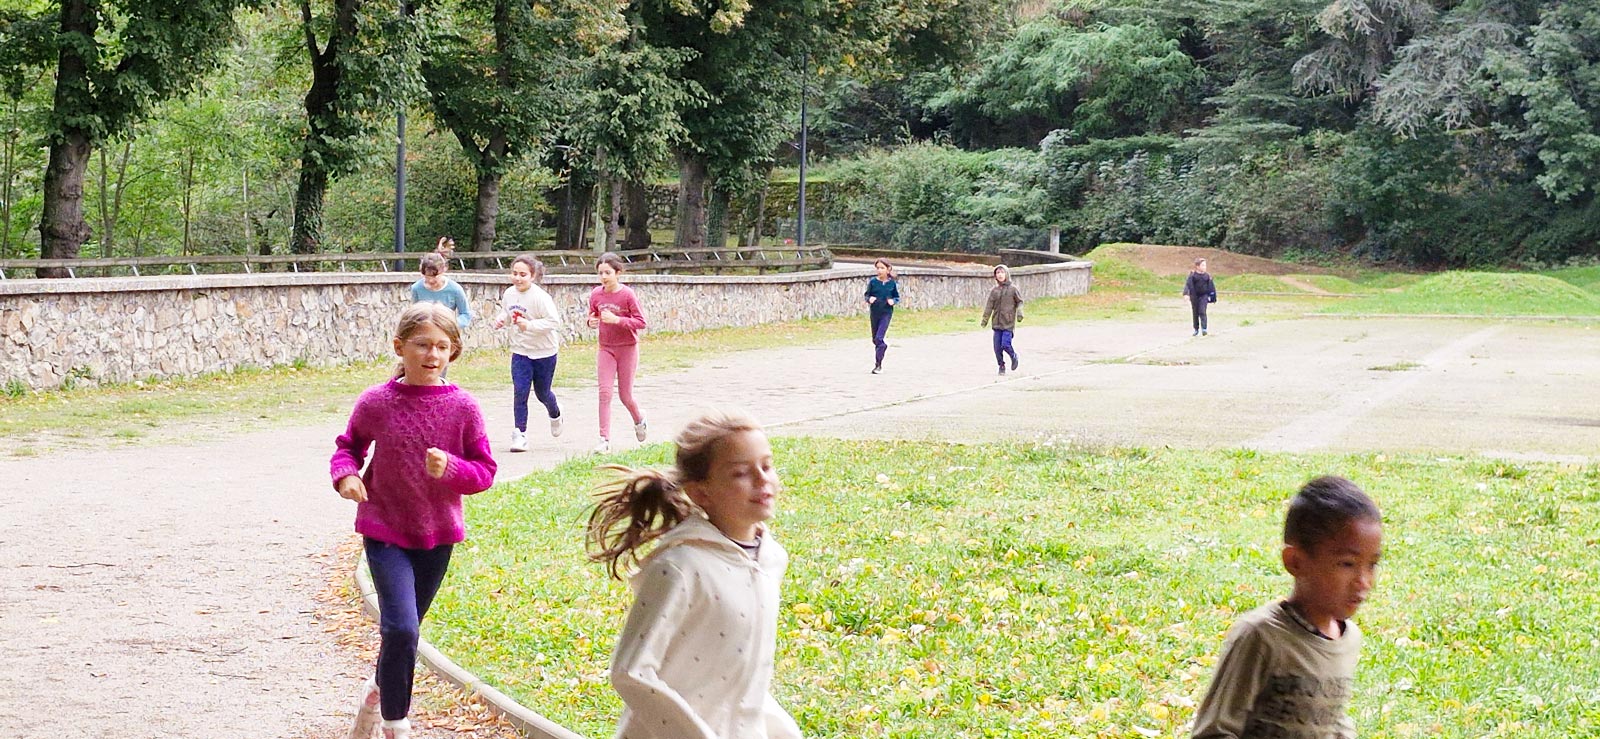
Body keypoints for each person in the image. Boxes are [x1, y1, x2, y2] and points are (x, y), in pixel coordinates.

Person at [331, 302, 498, 739]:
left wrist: (453, 470)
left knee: (402, 633)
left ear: (453, 352)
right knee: (402, 627)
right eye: (422, 345)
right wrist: (346, 475)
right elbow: (348, 447)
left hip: (437, 535)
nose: (432, 355)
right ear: (400, 347)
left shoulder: (463, 407)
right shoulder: (376, 402)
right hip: (384, 528)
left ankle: (375, 694)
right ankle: (395, 723)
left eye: (443, 346)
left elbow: (485, 472)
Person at [585, 410, 802, 739]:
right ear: (701, 493)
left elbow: (739, 675)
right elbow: (630, 671)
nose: (762, 480)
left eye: (767, 465)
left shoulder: (772, 560)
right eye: (742, 472)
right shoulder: (679, 567)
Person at [1191, 475, 1382, 739]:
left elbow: (1331, 718)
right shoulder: (1260, 637)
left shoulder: (1348, 639)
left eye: (1372, 564)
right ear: (1295, 561)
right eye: (1347, 564)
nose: (1364, 581)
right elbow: (1214, 731)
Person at [494, 254, 563, 452]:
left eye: (522, 274)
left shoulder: (541, 297)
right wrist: (502, 319)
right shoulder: (509, 294)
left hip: (544, 352)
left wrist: (530, 325)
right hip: (520, 350)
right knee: (520, 391)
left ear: (532, 276)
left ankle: (555, 412)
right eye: (514, 273)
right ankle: (520, 434)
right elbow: (509, 314)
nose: (517, 278)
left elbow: (553, 322)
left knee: (542, 393)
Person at [587, 252, 648, 454]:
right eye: (600, 273)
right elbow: (592, 314)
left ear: (618, 273)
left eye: (608, 273)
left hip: (627, 348)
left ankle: (639, 420)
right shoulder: (596, 294)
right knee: (604, 392)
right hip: (606, 348)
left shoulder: (627, 295)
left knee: (625, 395)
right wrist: (591, 321)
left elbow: (641, 322)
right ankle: (604, 439)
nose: (604, 277)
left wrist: (618, 320)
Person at [980, 264, 1024, 376]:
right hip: (996, 324)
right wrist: (985, 319)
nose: (1000, 275)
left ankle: (1014, 356)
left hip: (1008, 323)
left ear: (1007, 274)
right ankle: (1001, 365)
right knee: (997, 348)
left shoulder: (1013, 289)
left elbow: (1020, 302)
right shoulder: (994, 291)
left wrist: (1019, 312)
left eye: (1002, 272)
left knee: (1005, 344)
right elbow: (989, 306)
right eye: (998, 273)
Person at [411, 253, 472, 331]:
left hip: (446, 332)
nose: (430, 280)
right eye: (427, 276)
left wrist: (451, 325)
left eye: (434, 276)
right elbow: (415, 314)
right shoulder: (416, 288)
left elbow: (465, 314)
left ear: (443, 270)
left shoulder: (455, 289)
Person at [864, 258, 899, 374]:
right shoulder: (873, 282)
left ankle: (878, 365)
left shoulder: (892, 284)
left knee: (879, 338)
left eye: (882, 268)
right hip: (875, 313)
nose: (879, 270)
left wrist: (893, 301)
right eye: (877, 268)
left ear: (888, 269)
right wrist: (870, 299)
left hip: (886, 313)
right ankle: (880, 353)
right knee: (875, 340)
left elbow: (896, 297)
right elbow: (867, 295)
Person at [1183, 257, 1217, 337]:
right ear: (1198, 266)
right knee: (1195, 313)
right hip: (1194, 296)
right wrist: (1186, 294)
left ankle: (1204, 329)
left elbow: (1211, 287)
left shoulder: (1207, 276)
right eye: (1203, 265)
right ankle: (1196, 329)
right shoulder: (1193, 276)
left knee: (1202, 311)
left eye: (1205, 265)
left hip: (1204, 296)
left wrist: (1213, 297)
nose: (1205, 267)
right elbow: (1188, 285)